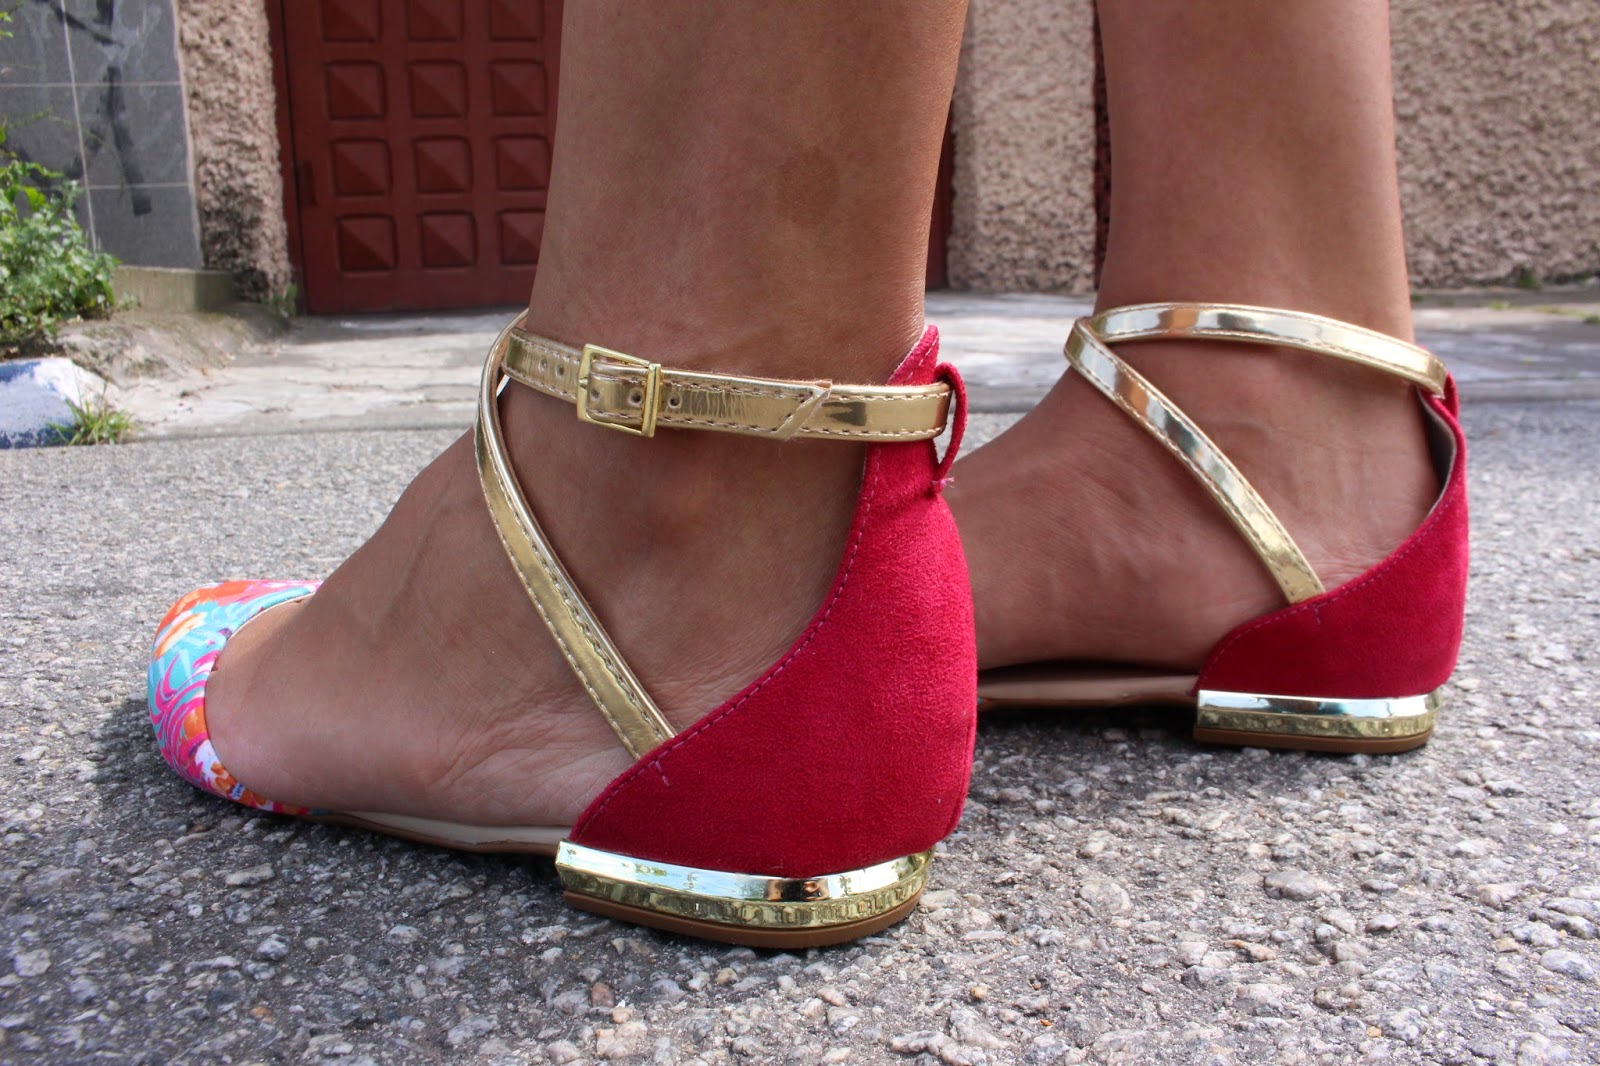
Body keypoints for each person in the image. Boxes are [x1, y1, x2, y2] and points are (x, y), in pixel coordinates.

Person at [146, 1, 1465, 945]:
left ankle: (682, 506)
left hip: (667, 591)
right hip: (1310, 486)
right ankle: (1276, 414)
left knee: (722, 474)